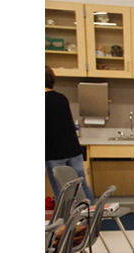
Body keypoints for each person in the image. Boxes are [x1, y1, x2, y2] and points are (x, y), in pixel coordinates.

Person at [45, 65, 94, 202]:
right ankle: (92, 216)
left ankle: (67, 221)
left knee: (61, 189)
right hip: (73, 149)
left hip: (54, 153)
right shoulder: (61, 98)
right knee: (82, 185)